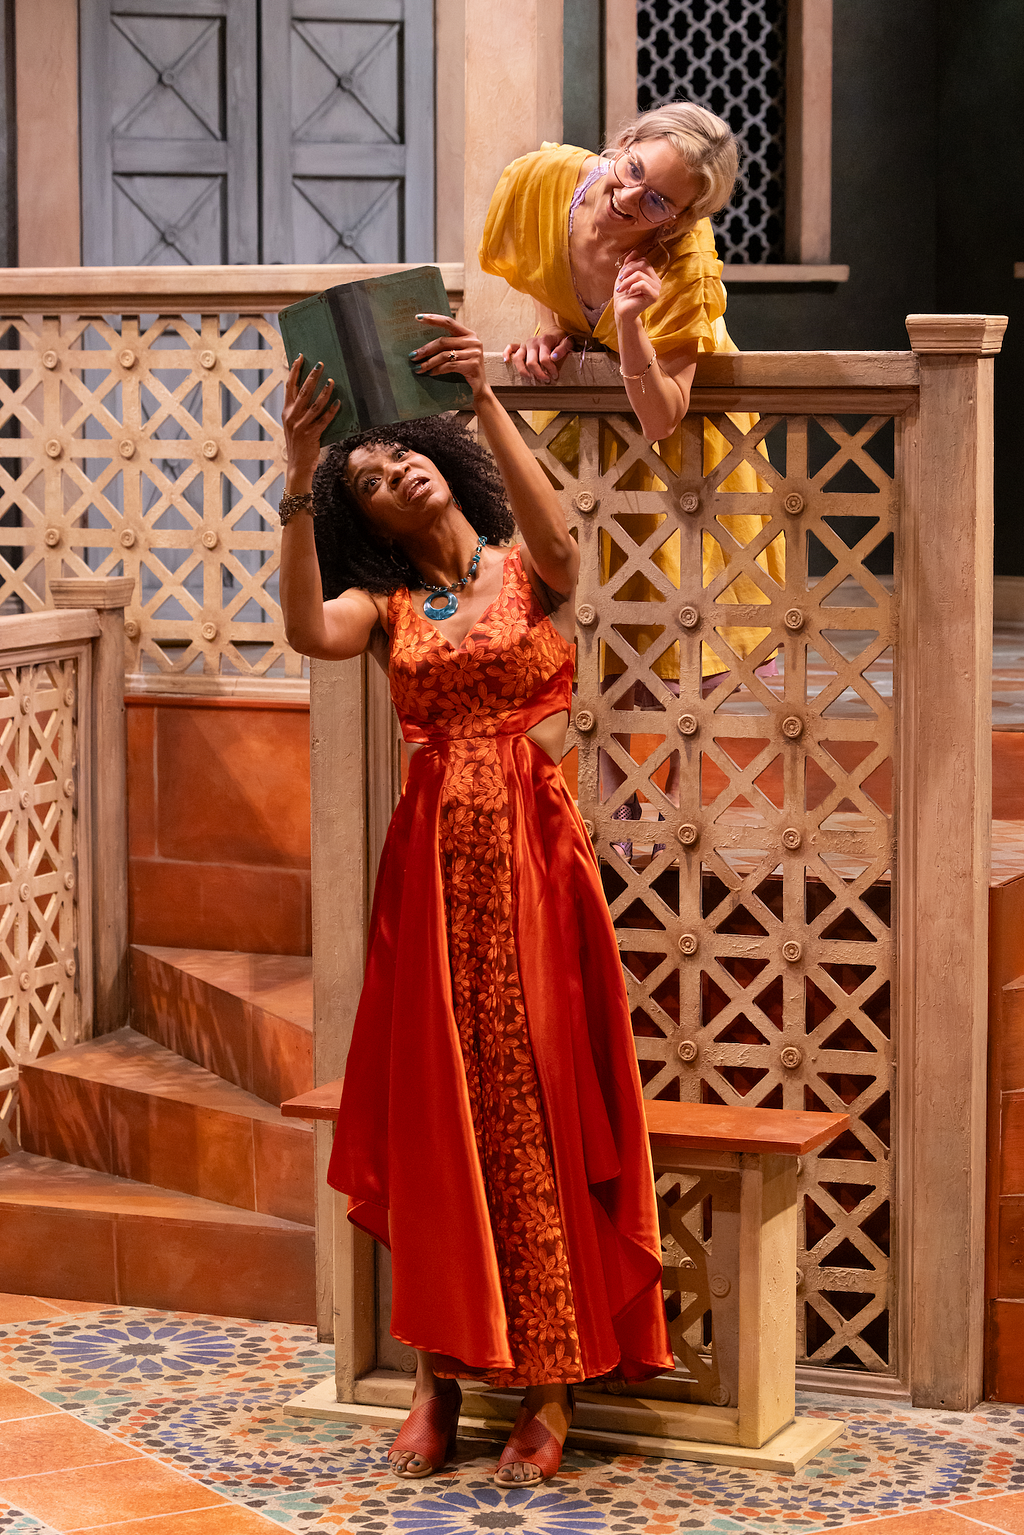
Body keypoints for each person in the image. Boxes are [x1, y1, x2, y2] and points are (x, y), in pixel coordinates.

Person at [278, 314, 673, 1486]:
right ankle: (435, 1376)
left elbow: (564, 543)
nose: (389, 470)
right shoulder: (385, 607)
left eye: (395, 454)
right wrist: (302, 483)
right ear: (371, 520)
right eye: (369, 479)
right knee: (436, 1113)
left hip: (538, 868)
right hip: (431, 876)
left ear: (437, 461)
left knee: (536, 1102)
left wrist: (486, 395)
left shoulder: (521, 570)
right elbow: (308, 627)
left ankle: (546, 1387)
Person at [480, 104, 785, 850]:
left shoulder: (683, 260)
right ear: (624, 144)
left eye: (656, 202)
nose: (629, 199)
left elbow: (663, 413)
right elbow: (556, 288)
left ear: (678, 219)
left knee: (680, 632)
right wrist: (554, 337)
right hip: (593, 446)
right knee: (594, 617)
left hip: (685, 456)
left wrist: (624, 325)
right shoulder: (543, 183)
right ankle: (611, 829)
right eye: (633, 171)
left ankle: (682, 829)